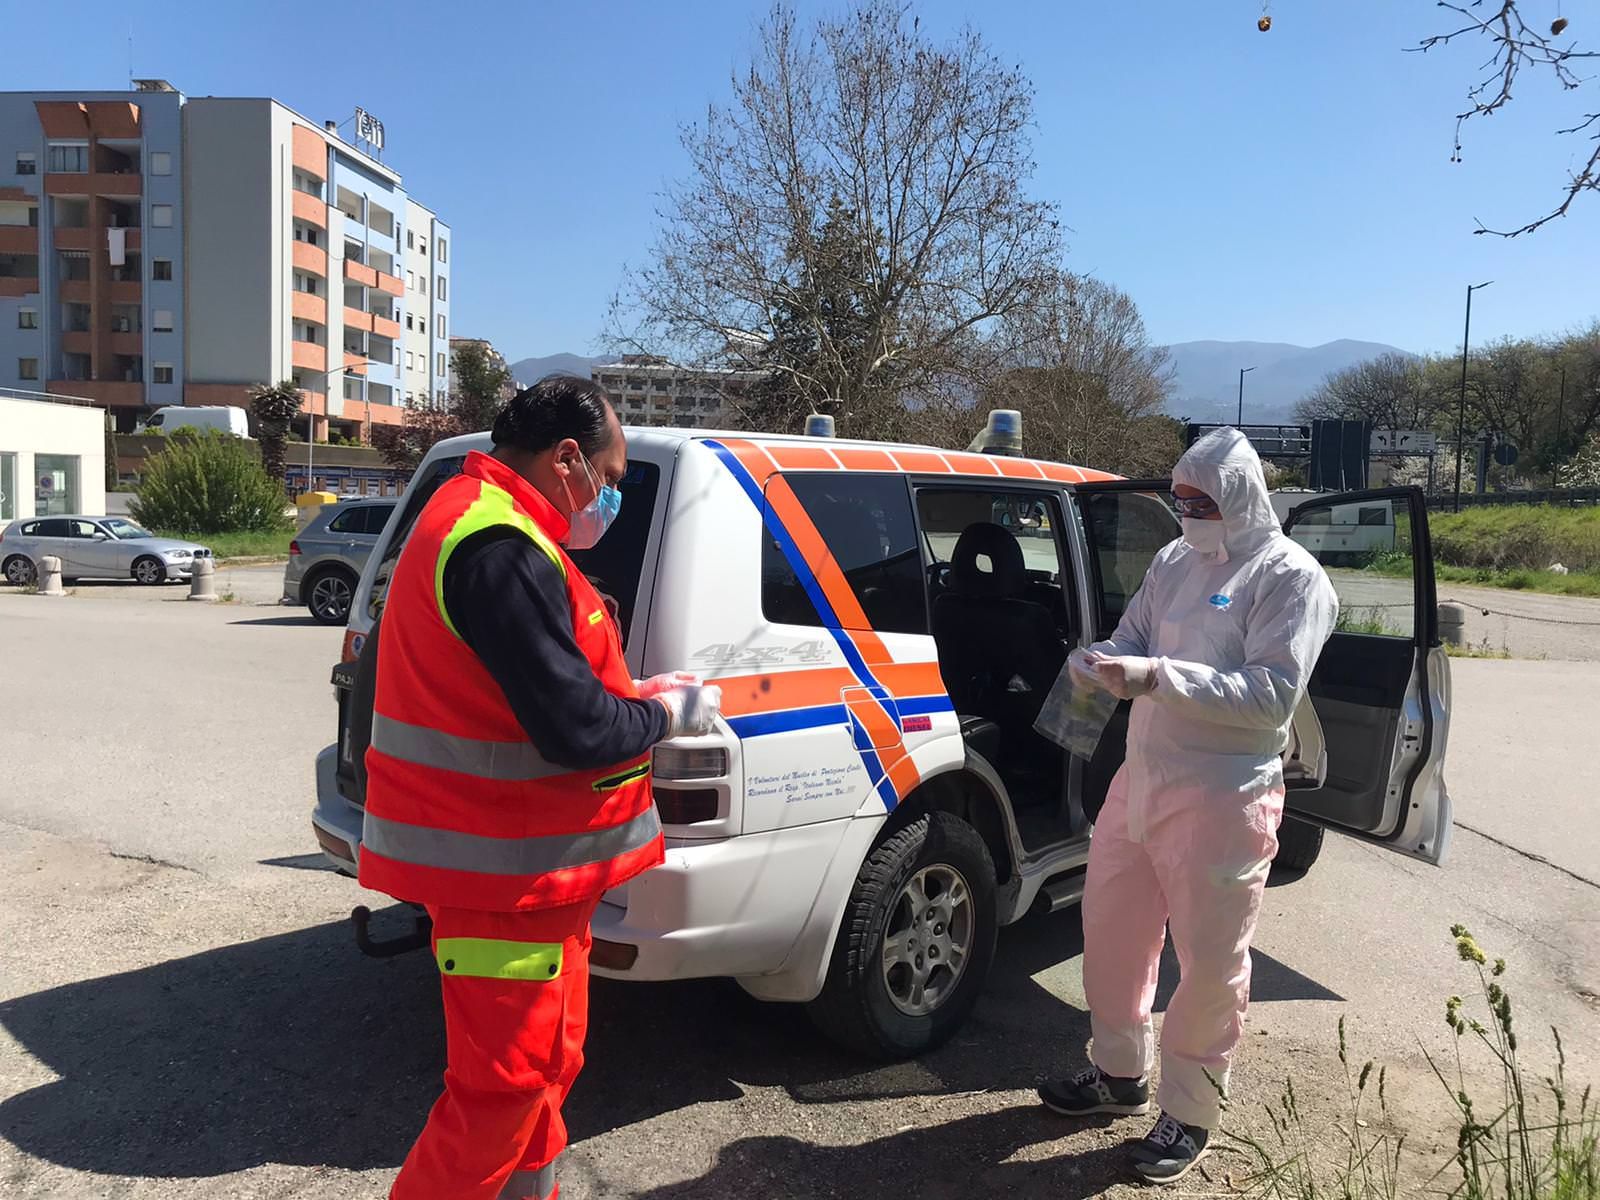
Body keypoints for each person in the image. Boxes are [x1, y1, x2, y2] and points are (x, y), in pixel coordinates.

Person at [359, 376, 721, 1200]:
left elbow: (545, 697)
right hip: (503, 881)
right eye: (611, 477)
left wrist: (633, 696)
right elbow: (575, 729)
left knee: (547, 1073)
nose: (611, 498)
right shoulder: (500, 545)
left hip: (531, 877)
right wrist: (665, 714)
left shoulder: (493, 525)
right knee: (502, 1094)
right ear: (566, 460)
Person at [1036, 428, 1338, 1184]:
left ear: (1240, 496)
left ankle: (1192, 1111)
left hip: (1224, 793)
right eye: (1180, 501)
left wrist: (1155, 677)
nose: (1188, 514)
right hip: (1142, 777)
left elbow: (1272, 695)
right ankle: (1118, 1073)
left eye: (1202, 502)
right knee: (1111, 932)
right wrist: (1104, 660)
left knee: (1209, 962)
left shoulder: (1291, 577)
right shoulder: (1174, 559)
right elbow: (1134, 633)